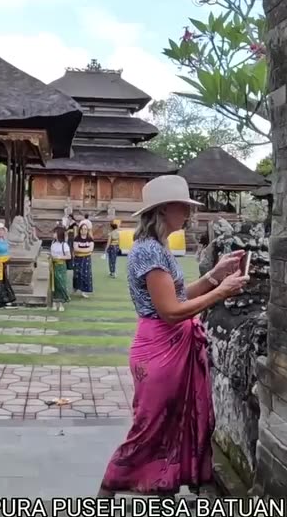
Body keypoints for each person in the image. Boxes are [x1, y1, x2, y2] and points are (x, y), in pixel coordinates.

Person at [98, 175, 248, 498]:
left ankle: (160, 484)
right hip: (158, 349)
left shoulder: (158, 247)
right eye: (184, 207)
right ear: (165, 210)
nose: (189, 214)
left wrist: (213, 275)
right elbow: (170, 311)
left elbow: (178, 295)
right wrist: (221, 292)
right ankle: (108, 489)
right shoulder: (149, 252)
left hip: (171, 345)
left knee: (170, 423)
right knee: (148, 426)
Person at [49, 225, 72, 311]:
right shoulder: (53, 243)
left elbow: (69, 256)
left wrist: (59, 257)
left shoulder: (64, 245)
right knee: (54, 284)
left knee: (61, 283)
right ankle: (54, 302)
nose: (53, 234)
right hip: (53, 265)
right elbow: (51, 254)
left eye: (54, 232)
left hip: (61, 265)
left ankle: (62, 303)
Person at [72, 222, 96, 297]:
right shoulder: (76, 238)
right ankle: (76, 287)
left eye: (85, 229)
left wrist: (82, 250)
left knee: (85, 274)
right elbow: (75, 248)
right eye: (82, 229)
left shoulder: (90, 239)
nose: (83, 230)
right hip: (78, 259)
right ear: (80, 230)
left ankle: (84, 291)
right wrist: (86, 250)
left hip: (86, 259)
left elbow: (91, 249)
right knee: (77, 273)